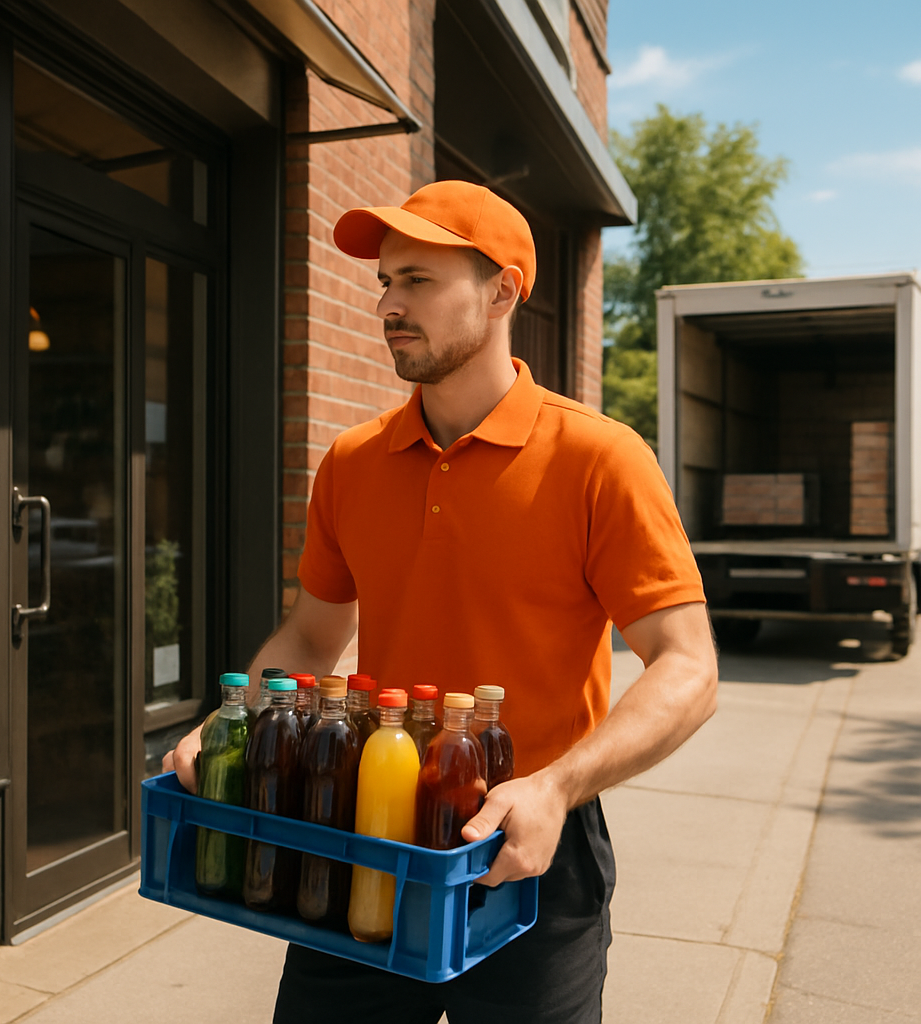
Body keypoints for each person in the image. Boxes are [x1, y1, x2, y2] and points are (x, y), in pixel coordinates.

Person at [164, 179, 718, 1023]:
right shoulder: (352, 462)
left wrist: (557, 787)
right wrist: (230, 719)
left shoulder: (600, 458)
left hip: (530, 843)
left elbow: (689, 668)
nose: (388, 304)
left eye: (417, 280)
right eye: (386, 281)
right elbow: (311, 637)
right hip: (368, 825)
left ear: (502, 291)